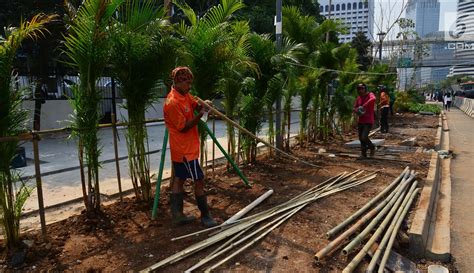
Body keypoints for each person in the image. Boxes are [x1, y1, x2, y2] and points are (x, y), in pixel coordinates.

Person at [163, 66, 217, 227]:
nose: (189, 86)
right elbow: (184, 127)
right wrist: (201, 114)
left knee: (180, 179)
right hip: (184, 150)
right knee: (198, 180)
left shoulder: (185, 95)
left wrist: (203, 106)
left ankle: (177, 215)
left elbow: (195, 105)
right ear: (178, 82)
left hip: (187, 148)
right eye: (187, 83)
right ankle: (205, 216)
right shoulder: (172, 102)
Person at [353, 83, 376, 158]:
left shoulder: (370, 95)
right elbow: (355, 107)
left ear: (365, 88)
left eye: (362, 88)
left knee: (364, 137)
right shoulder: (359, 98)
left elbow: (373, 99)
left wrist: (364, 106)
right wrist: (356, 110)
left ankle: (372, 147)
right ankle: (363, 154)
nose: (360, 90)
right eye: (359, 89)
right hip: (361, 120)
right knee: (360, 138)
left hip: (368, 120)